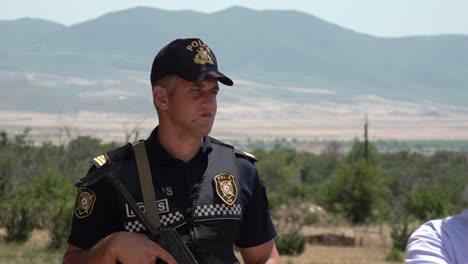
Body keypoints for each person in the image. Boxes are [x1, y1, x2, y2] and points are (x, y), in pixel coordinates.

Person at [62, 38, 280, 264]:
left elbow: (265, 257)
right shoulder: (113, 175)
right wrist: (112, 248)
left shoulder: (239, 169)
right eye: (197, 92)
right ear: (162, 98)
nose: (209, 103)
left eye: (213, 92)